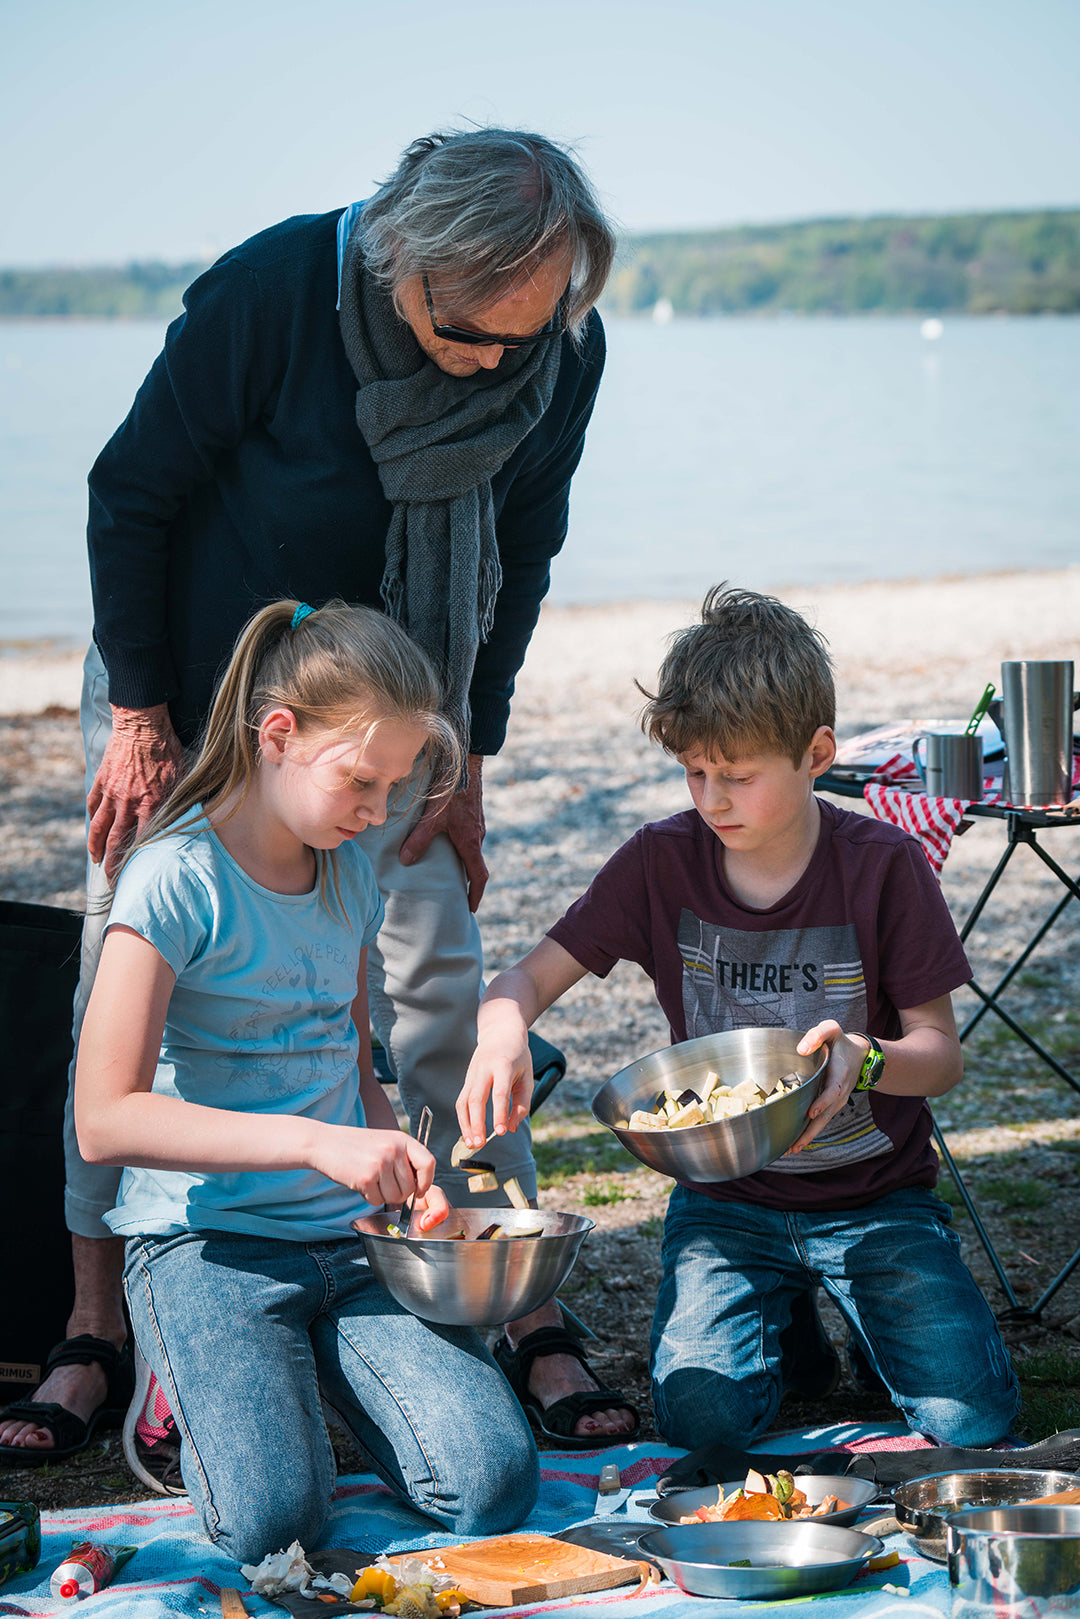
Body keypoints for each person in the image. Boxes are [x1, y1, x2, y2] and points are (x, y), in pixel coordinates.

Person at [0, 127, 633, 1471]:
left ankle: (503, 1283)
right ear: (403, 265)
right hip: (207, 699)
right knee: (119, 1005)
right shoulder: (274, 294)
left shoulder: (551, 346)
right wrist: (137, 719)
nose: (495, 363)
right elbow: (131, 493)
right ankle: (96, 1317)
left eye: (526, 337)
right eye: (470, 332)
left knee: (440, 994)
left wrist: (469, 752)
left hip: (408, 712)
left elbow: (525, 547)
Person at [458, 585, 1021, 1451]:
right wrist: (502, 1028)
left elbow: (939, 1056)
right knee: (701, 1424)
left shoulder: (885, 867)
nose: (712, 798)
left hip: (876, 1201)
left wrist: (864, 1061)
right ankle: (791, 1322)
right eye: (695, 772)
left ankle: (858, 1318)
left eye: (739, 774)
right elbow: (523, 979)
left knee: (967, 1421)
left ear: (816, 753)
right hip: (728, 1205)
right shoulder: (661, 860)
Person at [70, 598, 538, 1564]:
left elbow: (351, 1057)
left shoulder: (346, 869)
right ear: (278, 735)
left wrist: (401, 1178)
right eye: (363, 782)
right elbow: (102, 1119)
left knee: (494, 1484)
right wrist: (317, 1142)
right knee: (275, 1525)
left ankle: (314, 1378)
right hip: (206, 1248)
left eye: (394, 787)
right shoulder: (173, 876)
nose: (377, 812)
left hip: (348, 1244)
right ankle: (202, 1386)